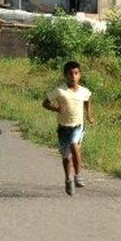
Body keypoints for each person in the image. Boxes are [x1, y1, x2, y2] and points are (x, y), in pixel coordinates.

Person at [42, 61, 94, 196]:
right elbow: (45, 103)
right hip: (63, 128)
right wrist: (56, 108)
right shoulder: (60, 91)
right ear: (65, 76)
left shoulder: (83, 91)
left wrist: (89, 115)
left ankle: (78, 175)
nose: (73, 76)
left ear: (80, 75)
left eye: (76, 73)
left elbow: (88, 99)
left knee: (74, 144)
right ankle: (68, 178)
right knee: (66, 157)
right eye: (70, 74)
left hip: (78, 126)